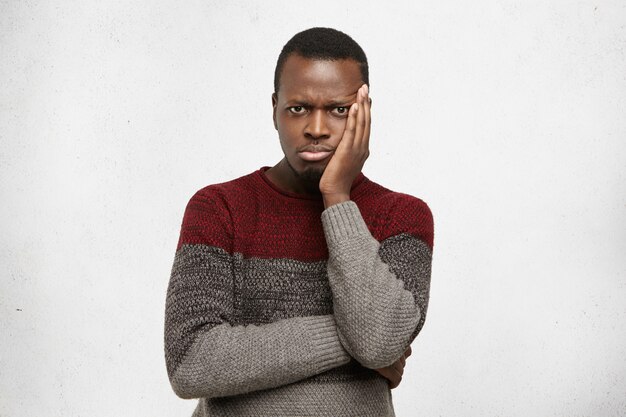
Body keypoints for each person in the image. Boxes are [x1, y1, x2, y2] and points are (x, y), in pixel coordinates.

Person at [164, 27, 434, 417]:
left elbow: (377, 344)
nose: (317, 128)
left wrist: (337, 196)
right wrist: (349, 340)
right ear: (274, 108)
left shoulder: (403, 216)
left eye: (339, 110)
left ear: (365, 110)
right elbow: (191, 363)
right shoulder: (219, 207)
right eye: (299, 108)